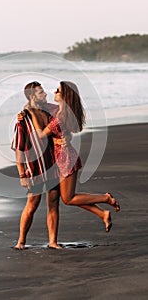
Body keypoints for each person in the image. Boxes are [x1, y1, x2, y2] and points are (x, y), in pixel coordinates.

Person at [26, 81, 120, 233]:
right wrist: (27, 108)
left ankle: (105, 198)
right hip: (61, 157)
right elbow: (40, 106)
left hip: (66, 159)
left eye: (58, 90)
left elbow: (41, 135)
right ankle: (102, 214)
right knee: (69, 197)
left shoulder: (61, 116)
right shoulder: (58, 109)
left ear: (64, 96)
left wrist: (31, 114)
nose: (54, 92)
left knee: (68, 199)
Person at [11, 81, 63, 250]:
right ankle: (21, 241)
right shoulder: (23, 119)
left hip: (53, 165)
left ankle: (53, 241)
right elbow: (19, 149)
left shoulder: (50, 111)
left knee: (54, 203)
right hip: (34, 168)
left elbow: (65, 112)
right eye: (41, 93)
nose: (45, 94)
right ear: (33, 96)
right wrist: (21, 174)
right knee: (32, 204)